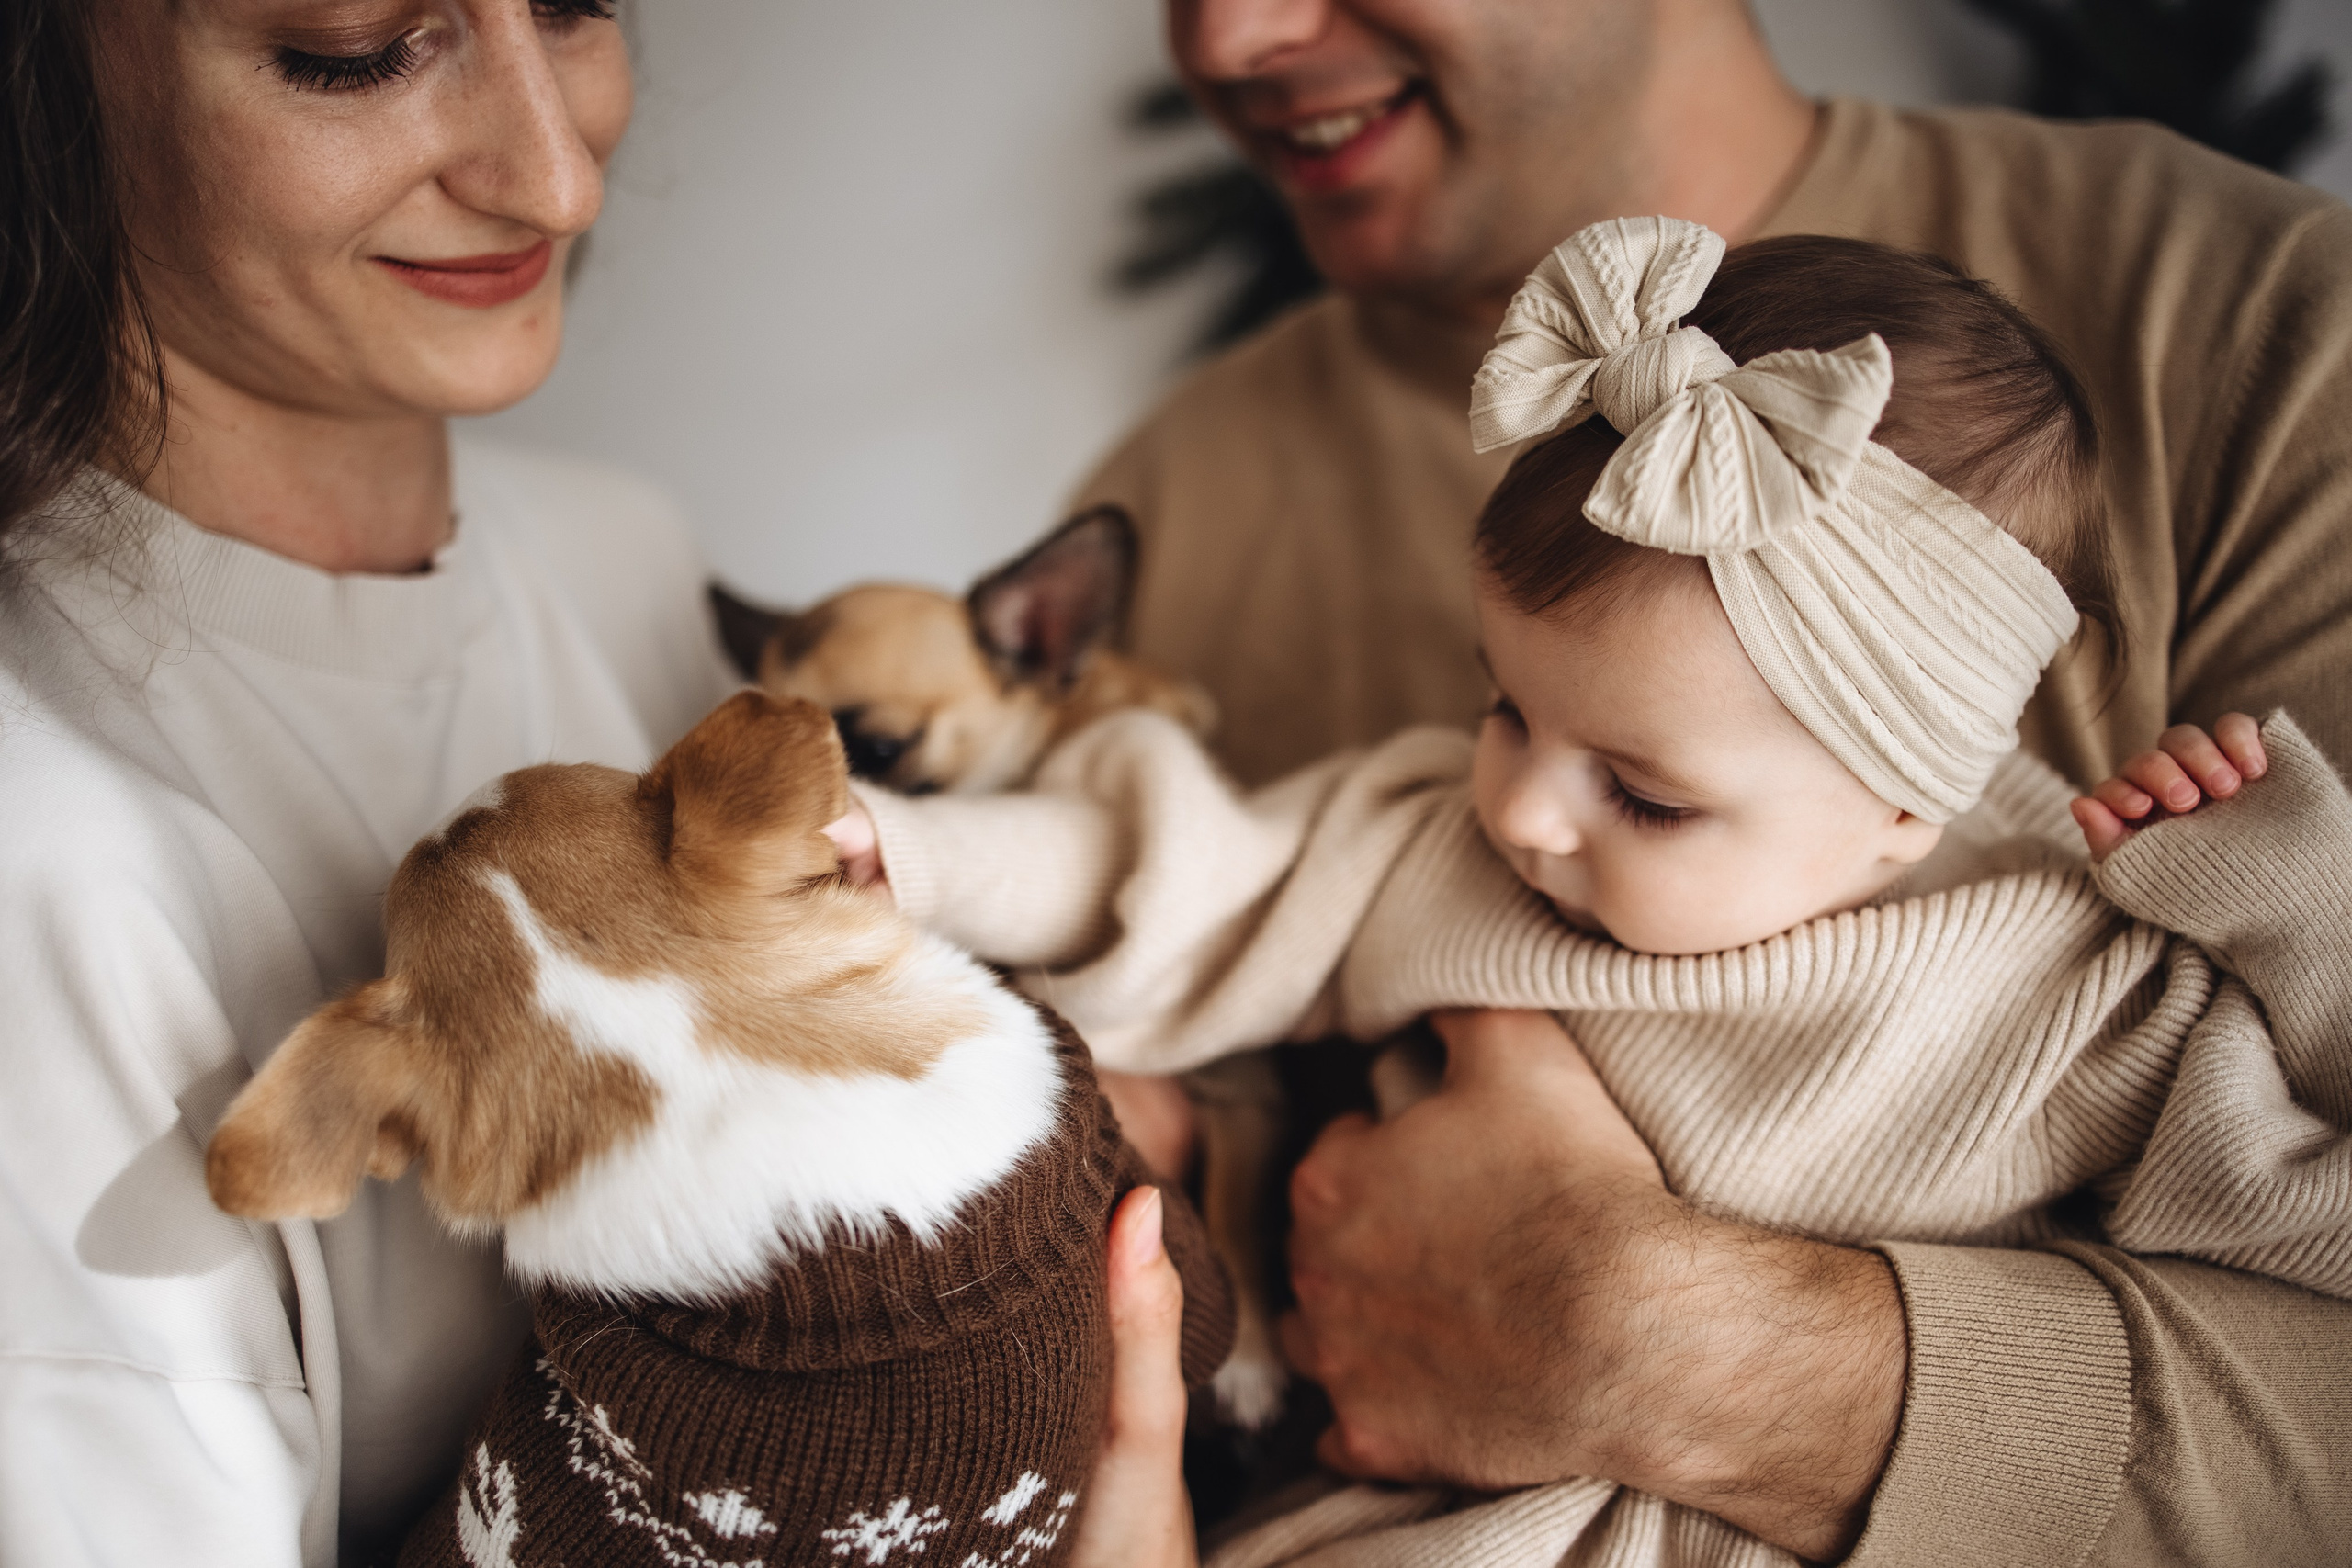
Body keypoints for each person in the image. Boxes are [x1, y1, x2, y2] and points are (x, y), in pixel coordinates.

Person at [840, 216, 2352, 1564]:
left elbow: (2315, 1238)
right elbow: (1185, 872)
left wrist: (2292, 912)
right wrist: (914, 855)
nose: (1520, 808)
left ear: (1905, 805)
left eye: (1645, 795)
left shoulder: (2071, 985)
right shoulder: (1448, 844)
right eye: (1502, 704)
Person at [0, 4, 1201, 1564]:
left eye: (573, 3)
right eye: (356, 45)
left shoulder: (622, 546)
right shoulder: (49, 848)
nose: (560, 178)